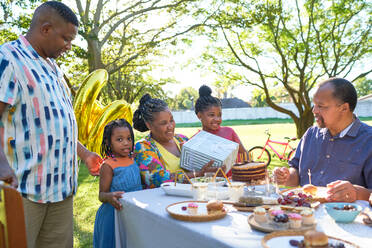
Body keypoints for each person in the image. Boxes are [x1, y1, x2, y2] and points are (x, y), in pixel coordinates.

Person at [0, 2, 102, 248]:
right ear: (45, 29)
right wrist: (1, 166)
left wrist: (84, 153)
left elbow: (55, 122)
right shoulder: (9, 58)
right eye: (66, 39)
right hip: (23, 189)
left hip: (60, 190)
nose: (68, 46)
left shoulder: (53, 68)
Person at [274, 78, 372, 202]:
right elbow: (296, 172)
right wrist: (286, 176)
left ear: (344, 108)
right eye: (314, 105)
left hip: (348, 218)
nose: (314, 111)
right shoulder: (310, 134)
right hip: (304, 214)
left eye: (321, 106)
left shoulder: (369, 140)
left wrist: (357, 193)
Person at [133, 94, 217, 188]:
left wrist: (212, 168)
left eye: (171, 120)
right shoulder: (143, 147)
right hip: (164, 201)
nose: (170, 126)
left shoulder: (182, 139)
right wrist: (198, 173)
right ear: (149, 125)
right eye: (163, 123)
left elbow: (201, 165)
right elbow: (156, 179)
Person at [93, 119, 142, 248]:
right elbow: (101, 195)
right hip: (113, 214)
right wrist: (109, 196)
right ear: (109, 142)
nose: (126, 143)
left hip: (132, 211)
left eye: (129, 139)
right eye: (119, 140)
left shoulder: (132, 159)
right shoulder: (108, 165)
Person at [194, 85, 247, 176]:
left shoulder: (229, 132)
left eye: (219, 115)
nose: (217, 119)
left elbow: (244, 154)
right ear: (199, 115)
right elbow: (195, 170)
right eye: (211, 115)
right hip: (211, 185)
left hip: (235, 182)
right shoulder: (196, 140)